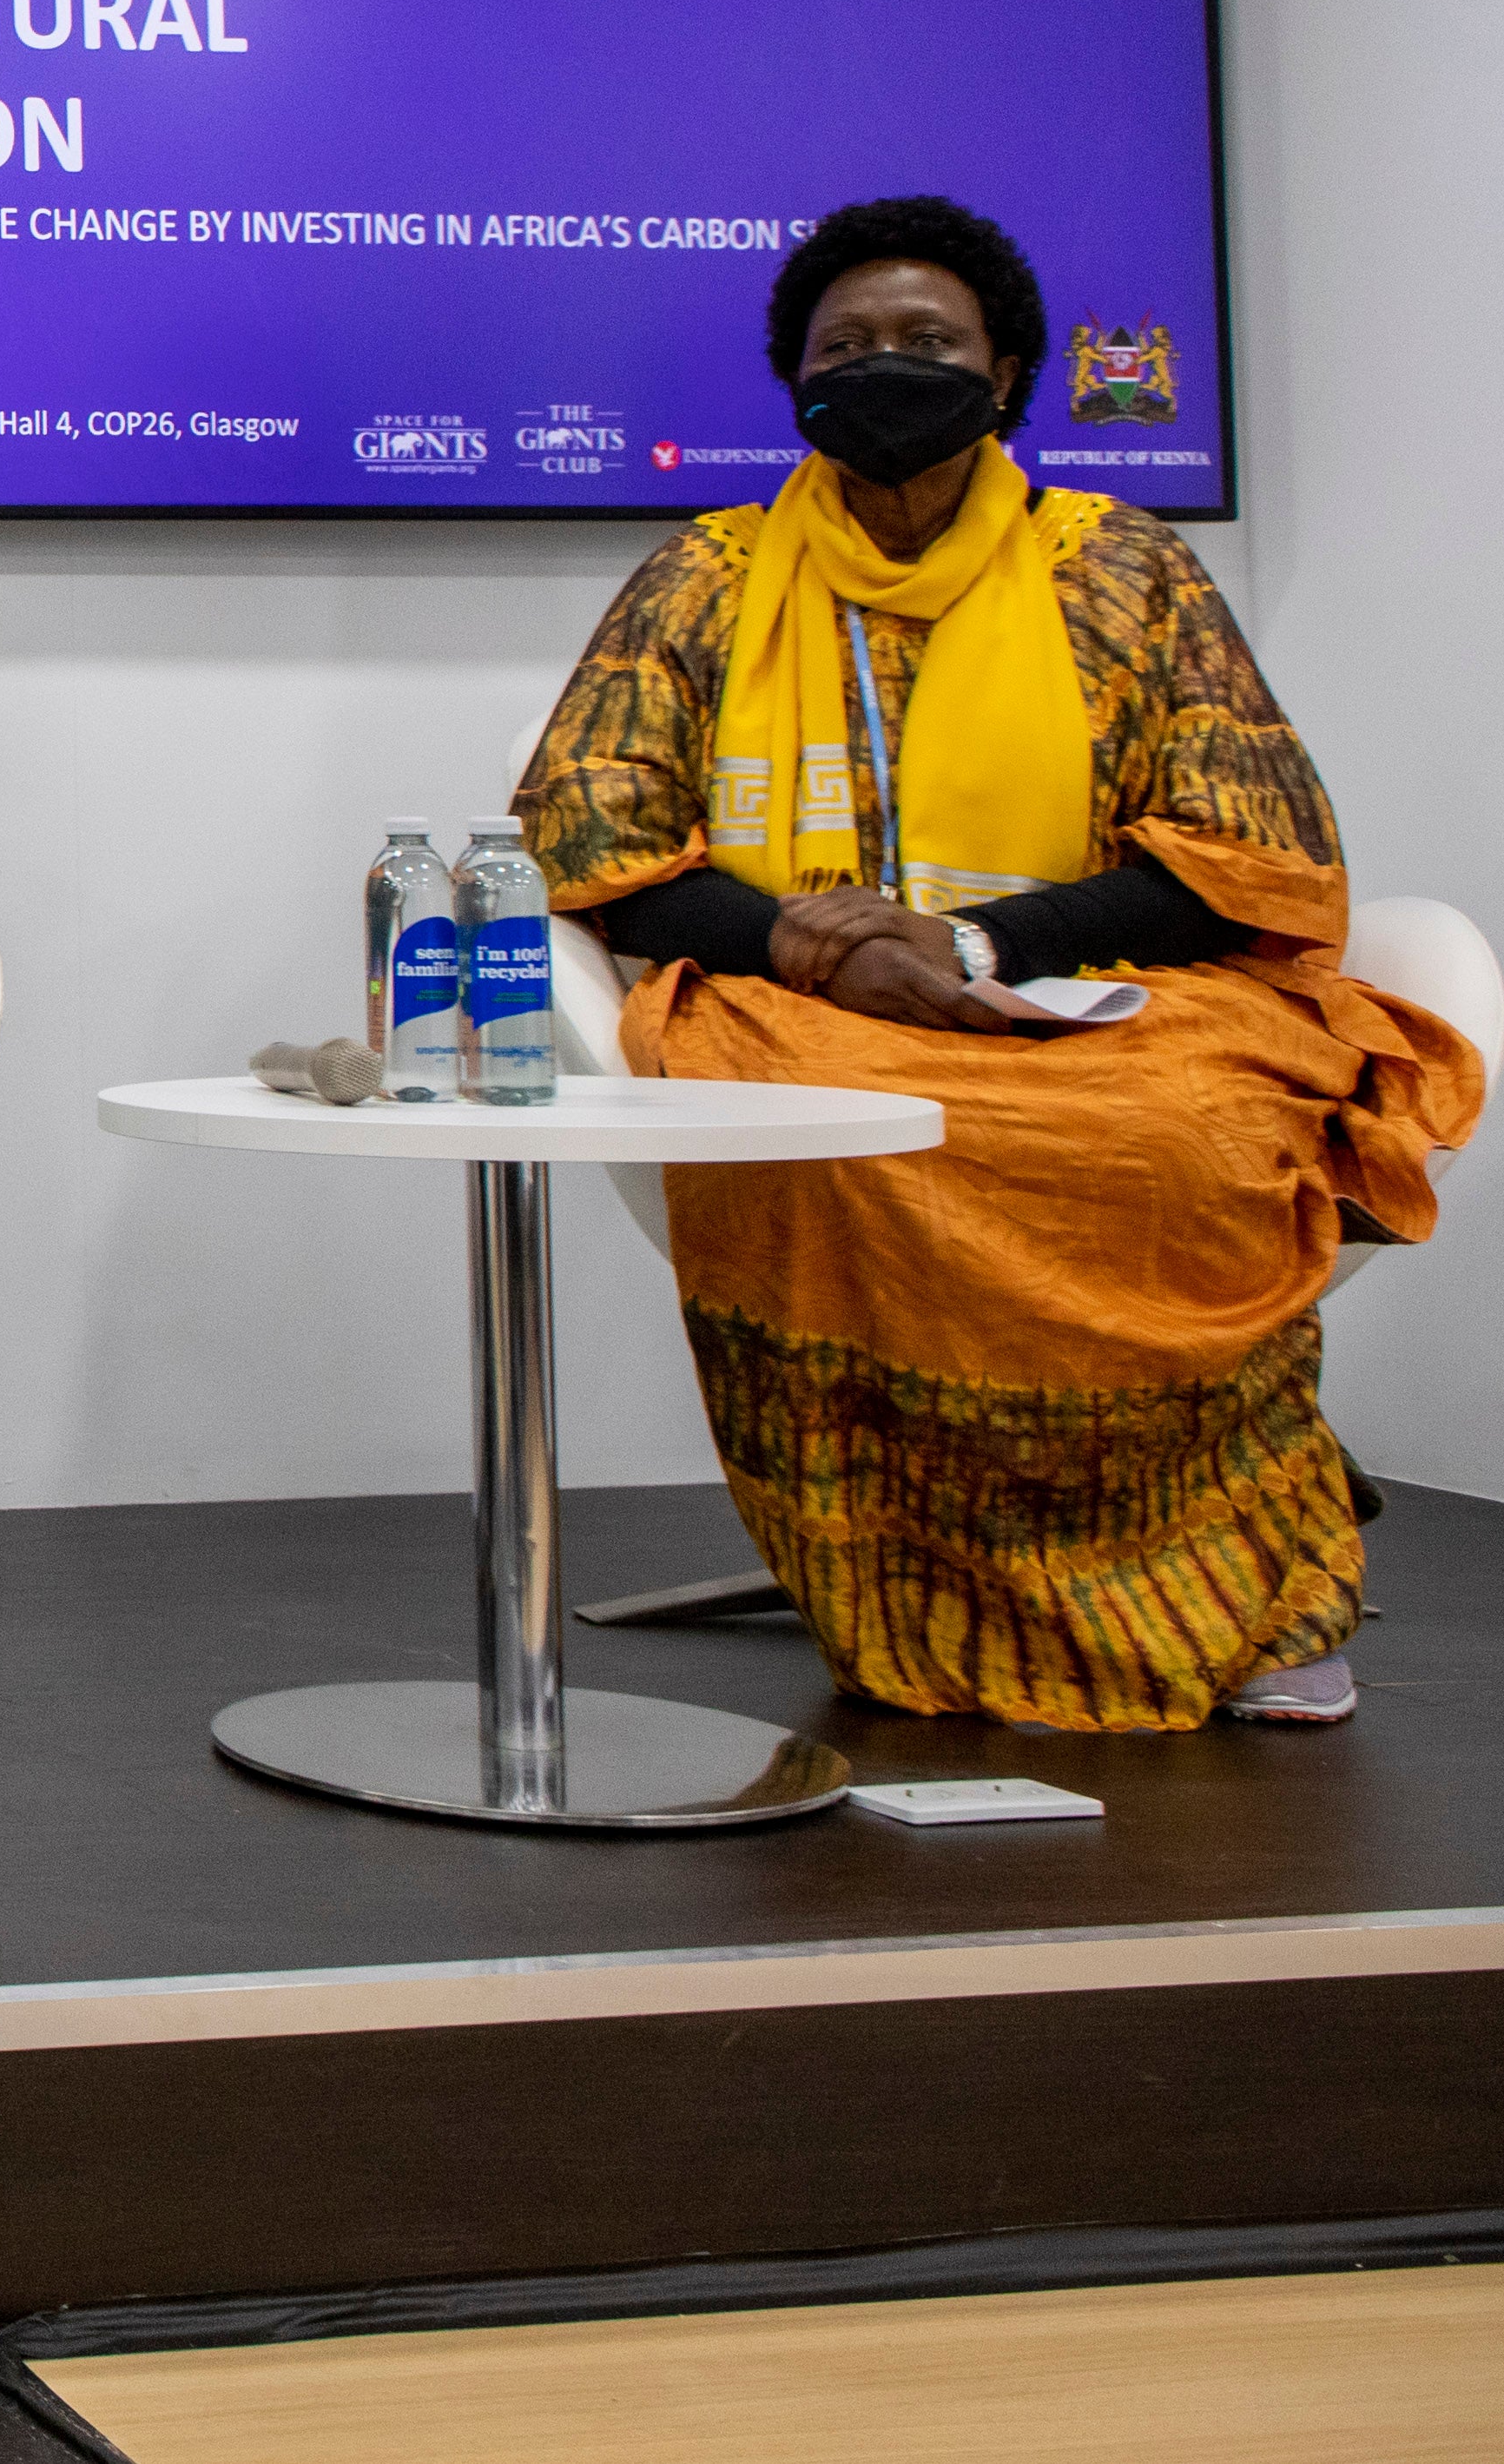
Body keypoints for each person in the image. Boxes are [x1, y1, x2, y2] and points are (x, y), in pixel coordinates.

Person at [513, 195, 1475, 1734]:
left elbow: (1250, 848)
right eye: (845, 345)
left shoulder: (1125, 570)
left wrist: (978, 941)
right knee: (843, 1146)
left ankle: (1244, 1588)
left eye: (924, 341)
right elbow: (585, 840)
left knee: (1191, 1135)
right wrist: (799, 939)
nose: (885, 364)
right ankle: (910, 1586)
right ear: (793, 378)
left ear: (1006, 371)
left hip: (1110, 995)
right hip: (804, 1003)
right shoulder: (701, 575)